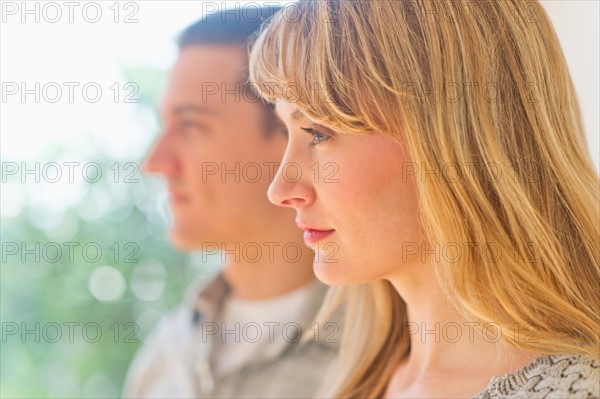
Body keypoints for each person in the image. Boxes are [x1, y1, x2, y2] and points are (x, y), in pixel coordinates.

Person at [248, 0, 600, 397]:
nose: (280, 190)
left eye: (318, 133)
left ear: (454, 137)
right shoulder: (346, 381)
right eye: (286, 133)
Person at [122, 6, 340, 398]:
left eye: (191, 125)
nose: (156, 163)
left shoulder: (385, 351)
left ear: (290, 130)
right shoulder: (164, 355)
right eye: (164, 125)